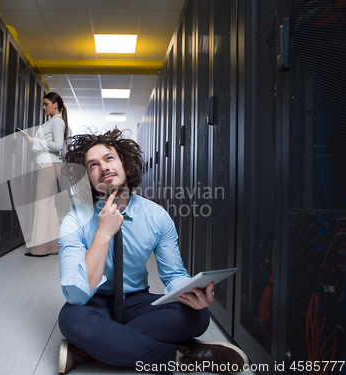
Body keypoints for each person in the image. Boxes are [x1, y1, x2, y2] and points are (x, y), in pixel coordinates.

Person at [56, 129, 249, 374]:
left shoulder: (157, 216)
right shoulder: (74, 220)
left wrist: (192, 291)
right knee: (72, 319)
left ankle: (89, 349)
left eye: (109, 158)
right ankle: (183, 356)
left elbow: (174, 275)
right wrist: (103, 233)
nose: (103, 167)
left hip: (137, 302)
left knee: (197, 316)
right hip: (95, 303)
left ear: (125, 164)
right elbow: (76, 295)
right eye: (93, 165)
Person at [23, 92, 68, 257]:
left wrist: (35, 141)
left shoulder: (58, 122)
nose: (44, 107)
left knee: (42, 205)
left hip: (49, 165)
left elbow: (58, 145)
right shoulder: (53, 122)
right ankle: (53, 246)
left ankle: (39, 250)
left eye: (46, 104)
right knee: (49, 205)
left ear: (55, 104)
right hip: (50, 164)